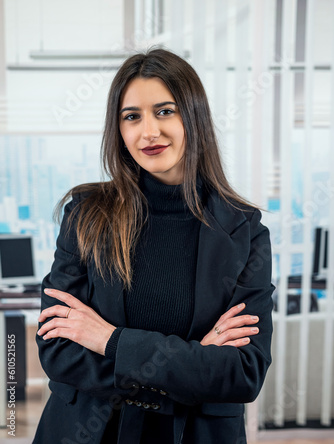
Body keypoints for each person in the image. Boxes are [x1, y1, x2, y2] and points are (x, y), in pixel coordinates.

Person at [33, 48, 274, 444]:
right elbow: (57, 350)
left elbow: (241, 373)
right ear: (119, 129)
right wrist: (191, 359)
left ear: (193, 117)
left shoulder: (243, 229)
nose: (148, 132)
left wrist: (108, 340)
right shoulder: (86, 214)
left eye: (165, 111)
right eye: (132, 116)